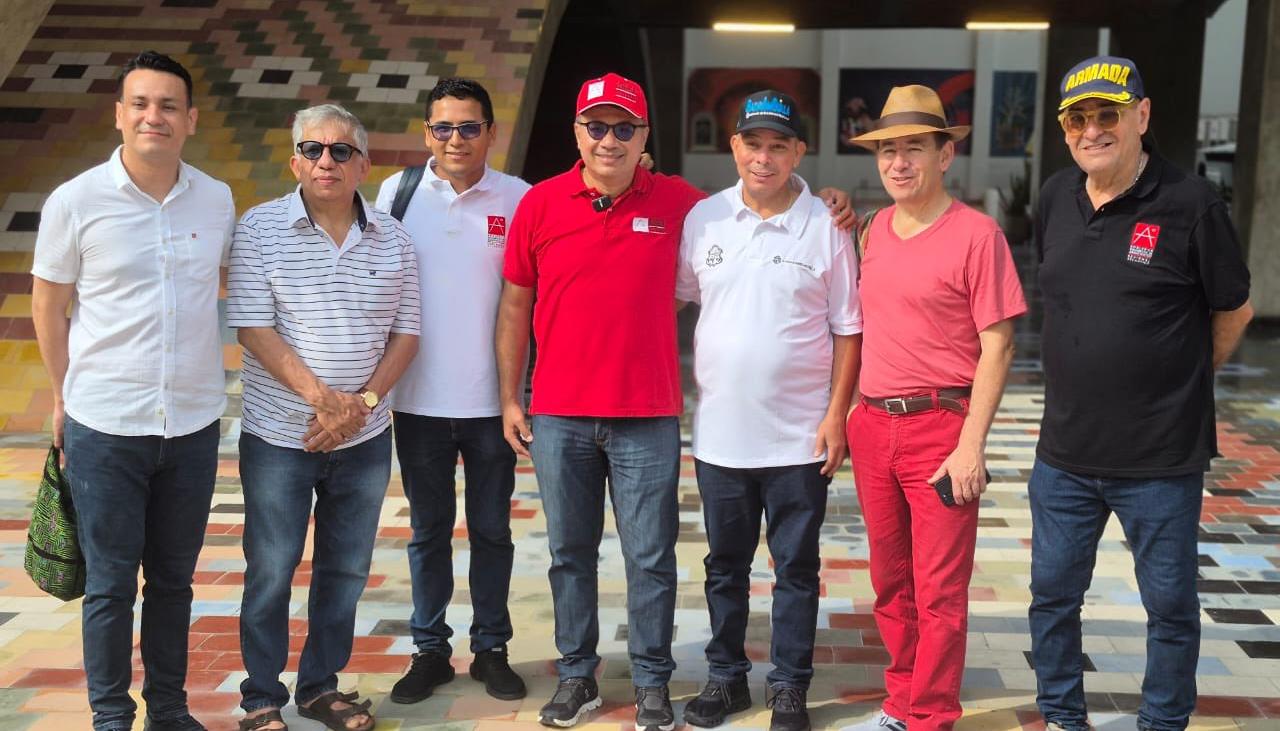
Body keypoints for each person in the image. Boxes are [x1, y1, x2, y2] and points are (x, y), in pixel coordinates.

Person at [496, 72, 853, 731]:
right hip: (559, 414)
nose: (610, 139)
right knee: (569, 552)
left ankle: (654, 681)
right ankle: (577, 675)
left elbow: (763, 196)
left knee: (651, 555)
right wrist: (508, 396)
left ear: (644, 136)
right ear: (577, 132)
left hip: (647, 417)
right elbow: (516, 302)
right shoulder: (541, 204)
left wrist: (826, 199)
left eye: (624, 127)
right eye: (596, 126)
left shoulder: (687, 205)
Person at [1029, 56, 1252, 731]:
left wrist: (1177, 382)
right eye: (1079, 118)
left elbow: (1234, 309)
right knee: (1052, 598)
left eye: (1108, 114)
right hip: (1064, 454)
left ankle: (1161, 723)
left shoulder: (1191, 205)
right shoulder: (1053, 197)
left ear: (1142, 117)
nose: (1092, 129)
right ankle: (1064, 717)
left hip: (1160, 460)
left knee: (1171, 608)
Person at [30, 50, 234, 731]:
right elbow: (48, 306)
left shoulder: (216, 197)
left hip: (193, 426)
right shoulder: (75, 201)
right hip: (105, 426)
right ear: (119, 115)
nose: (155, 116)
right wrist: (63, 395)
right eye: (141, 104)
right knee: (112, 585)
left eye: (169, 105)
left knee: (174, 583)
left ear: (191, 119)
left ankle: (169, 710)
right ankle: (111, 715)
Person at [226, 103, 421, 731]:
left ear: (364, 163)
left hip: (364, 437)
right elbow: (253, 328)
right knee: (273, 566)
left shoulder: (394, 237)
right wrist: (324, 402)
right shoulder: (259, 228)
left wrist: (358, 407)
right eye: (312, 149)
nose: (326, 161)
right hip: (281, 435)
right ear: (294, 161)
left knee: (345, 568)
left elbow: (407, 335)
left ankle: (319, 688)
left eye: (340, 150)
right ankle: (260, 697)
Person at [676, 90, 861, 731]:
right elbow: (676, 300)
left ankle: (789, 688)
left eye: (778, 145)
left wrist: (837, 414)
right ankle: (726, 680)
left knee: (796, 570)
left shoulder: (827, 225)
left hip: (798, 440)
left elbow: (848, 328)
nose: (764, 157)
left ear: (798, 151)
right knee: (724, 567)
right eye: (752, 143)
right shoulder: (705, 220)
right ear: (734, 147)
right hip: (721, 439)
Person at [845, 85, 1027, 731]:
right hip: (872, 427)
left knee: (940, 591)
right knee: (892, 584)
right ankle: (900, 702)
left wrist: (971, 443)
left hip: (940, 427)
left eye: (913, 148)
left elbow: (999, 342)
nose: (898, 162)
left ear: (945, 154)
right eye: (888, 150)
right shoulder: (871, 230)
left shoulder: (978, 236)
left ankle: (930, 717)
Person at [374, 78, 530, 704]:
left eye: (469, 127)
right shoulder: (399, 192)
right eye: (444, 128)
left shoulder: (520, 198)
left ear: (491, 132)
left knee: (492, 531)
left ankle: (491, 648)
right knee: (428, 533)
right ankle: (429, 649)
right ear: (427, 133)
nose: (456, 139)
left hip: (493, 404)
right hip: (417, 403)